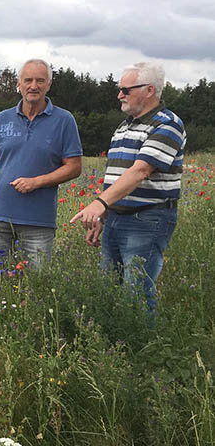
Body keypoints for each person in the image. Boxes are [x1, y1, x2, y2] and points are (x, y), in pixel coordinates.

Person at [70, 62, 185, 318]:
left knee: (137, 293)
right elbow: (115, 177)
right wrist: (103, 214)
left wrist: (99, 203)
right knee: (109, 289)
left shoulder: (167, 125)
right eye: (119, 89)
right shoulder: (124, 127)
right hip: (116, 218)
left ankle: (143, 352)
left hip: (147, 219)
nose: (119, 94)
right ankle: (116, 349)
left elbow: (140, 171)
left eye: (125, 89)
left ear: (149, 90)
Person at [0, 59, 82, 267]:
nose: (33, 86)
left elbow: (74, 167)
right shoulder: (3, 119)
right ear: (18, 84)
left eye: (40, 80)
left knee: (37, 284)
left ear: (49, 85)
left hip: (38, 222)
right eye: (28, 80)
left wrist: (36, 182)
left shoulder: (64, 120)